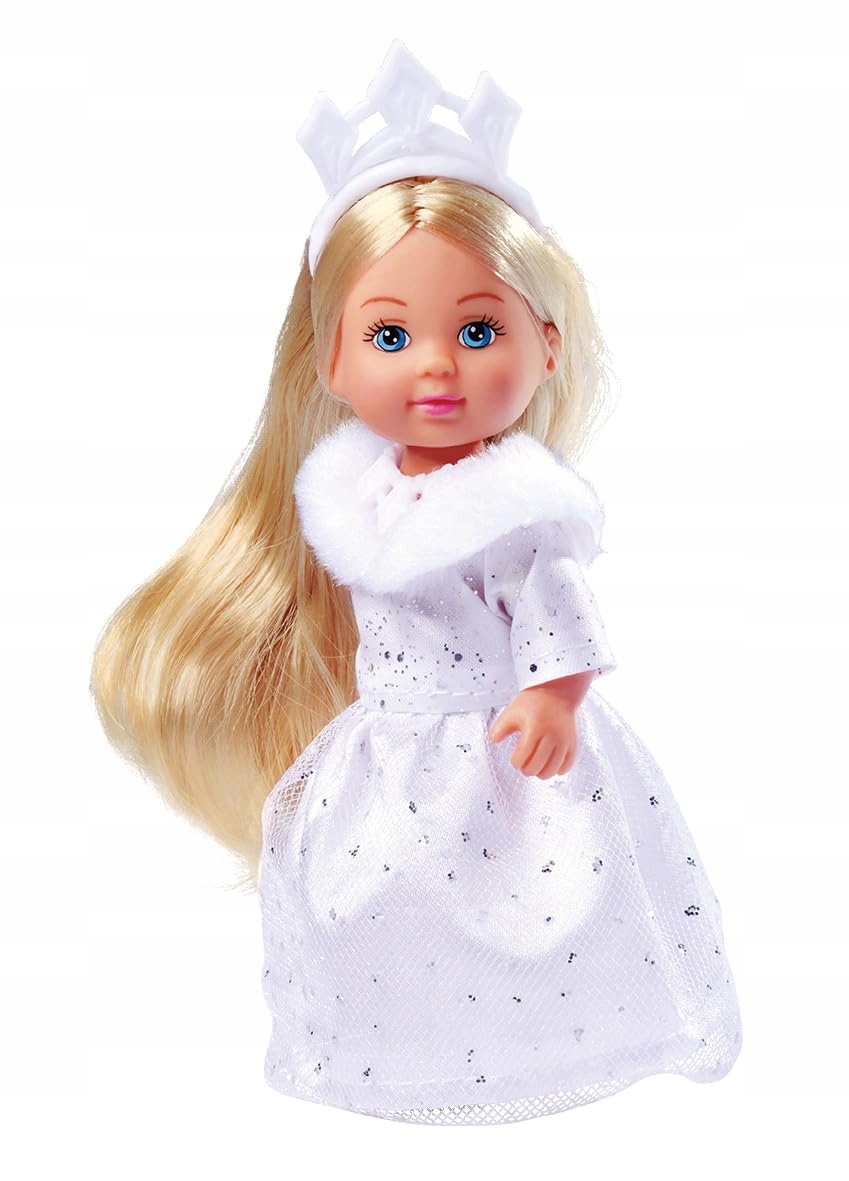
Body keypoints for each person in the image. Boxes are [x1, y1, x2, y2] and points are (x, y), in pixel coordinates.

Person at [91, 42, 741, 1125]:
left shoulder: (520, 508)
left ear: (545, 344)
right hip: (386, 750)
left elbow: (557, 612)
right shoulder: (352, 502)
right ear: (333, 363)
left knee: (543, 896)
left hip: (505, 743)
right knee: (378, 892)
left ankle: (553, 1039)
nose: (436, 363)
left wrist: (553, 695)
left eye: (477, 330)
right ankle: (404, 1045)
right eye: (391, 334)